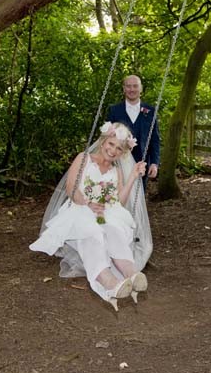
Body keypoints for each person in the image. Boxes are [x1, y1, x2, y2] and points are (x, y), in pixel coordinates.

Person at [29, 122, 153, 310]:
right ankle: (109, 282)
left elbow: (119, 200)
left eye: (118, 148)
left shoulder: (117, 170)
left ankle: (132, 273)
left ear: (122, 153)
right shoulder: (84, 158)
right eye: (110, 144)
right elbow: (71, 188)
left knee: (114, 230)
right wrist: (87, 203)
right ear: (103, 142)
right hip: (80, 208)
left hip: (106, 212)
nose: (113, 151)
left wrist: (134, 177)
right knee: (92, 232)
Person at [106, 75, 161, 184]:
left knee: (138, 199)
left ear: (141, 88)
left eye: (135, 86)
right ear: (124, 88)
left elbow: (154, 139)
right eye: (128, 86)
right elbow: (107, 138)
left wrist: (154, 163)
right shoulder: (114, 110)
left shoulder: (150, 111)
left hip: (142, 165)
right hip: (117, 163)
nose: (132, 89)